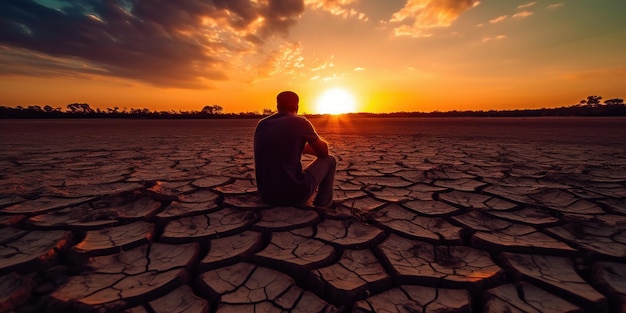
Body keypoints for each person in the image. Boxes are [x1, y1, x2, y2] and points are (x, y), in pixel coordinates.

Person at [254, 91, 336, 208]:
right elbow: (324, 152)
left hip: (267, 196)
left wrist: (299, 147)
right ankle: (323, 205)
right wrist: (304, 147)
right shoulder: (300, 122)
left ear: (277, 107)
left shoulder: (262, 124)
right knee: (330, 160)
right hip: (292, 196)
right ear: (297, 107)